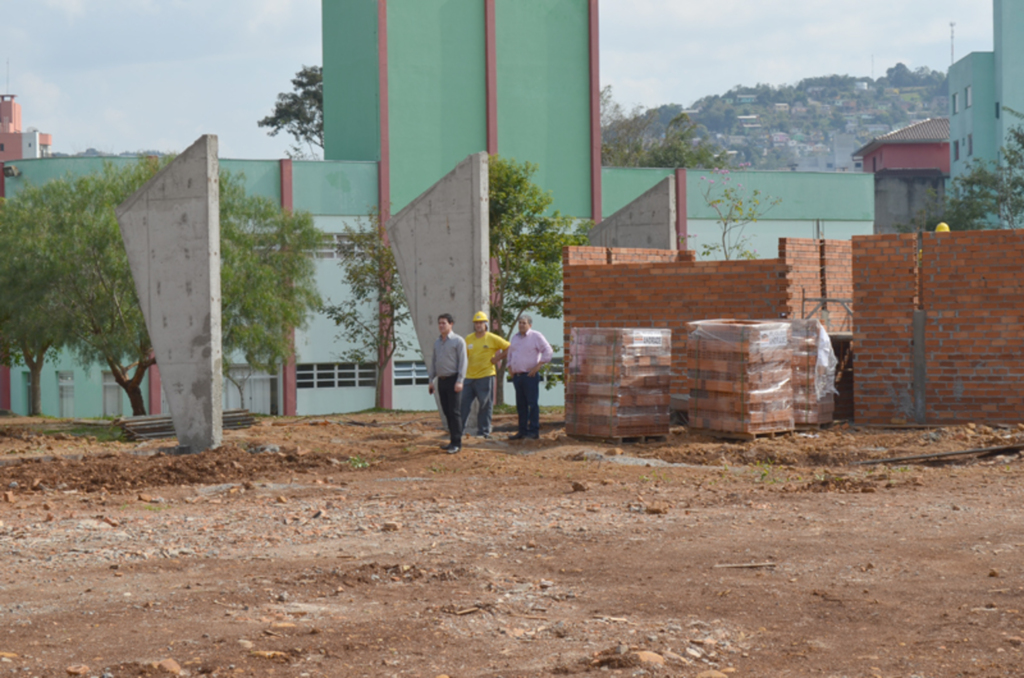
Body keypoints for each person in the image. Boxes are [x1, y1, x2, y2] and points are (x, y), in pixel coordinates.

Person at [460, 311, 510, 439]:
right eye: (476, 323)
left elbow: (509, 347)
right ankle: (458, 432)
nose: (478, 325)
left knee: (485, 405)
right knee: (463, 405)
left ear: (486, 324)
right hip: (469, 377)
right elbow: (464, 357)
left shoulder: (492, 338)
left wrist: (497, 358)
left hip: (485, 376)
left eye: (481, 322)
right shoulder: (468, 338)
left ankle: (483, 432)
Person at [505, 314, 553, 440]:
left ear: (530, 325)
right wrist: (510, 368)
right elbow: (510, 354)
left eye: (524, 323)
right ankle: (522, 431)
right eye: (520, 323)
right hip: (518, 376)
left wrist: (538, 366)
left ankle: (533, 431)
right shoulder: (515, 338)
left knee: (532, 404)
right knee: (521, 405)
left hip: (530, 376)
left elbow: (548, 350)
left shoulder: (536, 336)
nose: (521, 325)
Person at [428, 313, 467, 454]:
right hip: (441, 381)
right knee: (446, 412)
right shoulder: (437, 342)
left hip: (453, 380)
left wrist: (460, 381)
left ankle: (457, 443)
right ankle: (452, 440)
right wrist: (431, 380)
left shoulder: (458, 341)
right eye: (439, 323)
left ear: (451, 324)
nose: (441, 325)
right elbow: (434, 362)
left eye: (444, 323)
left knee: (455, 412)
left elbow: (463, 362)